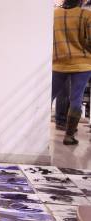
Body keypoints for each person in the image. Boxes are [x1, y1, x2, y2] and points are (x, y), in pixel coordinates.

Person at [52, 0, 91, 145]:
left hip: (58, 62)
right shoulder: (86, 15)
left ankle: (34, 133)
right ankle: (69, 136)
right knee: (76, 99)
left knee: (48, 97)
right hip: (82, 64)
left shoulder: (55, 15)